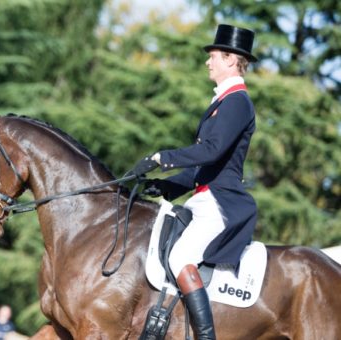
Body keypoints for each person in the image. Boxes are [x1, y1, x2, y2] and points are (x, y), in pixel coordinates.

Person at [129, 24, 258, 339]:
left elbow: (211, 152)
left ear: (230, 59)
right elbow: (204, 168)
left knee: (180, 257)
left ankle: (205, 336)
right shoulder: (222, 102)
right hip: (203, 197)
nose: (208, 62)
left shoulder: (237, 101)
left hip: (221, 203)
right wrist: (167, 186)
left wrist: (162, 157)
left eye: (213, 56)